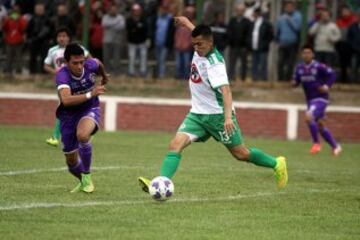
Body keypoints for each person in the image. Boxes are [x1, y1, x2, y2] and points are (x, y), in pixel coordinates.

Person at [138, 17, 288, 193]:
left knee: (241, 154)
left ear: (210, 43)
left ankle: (277, 163)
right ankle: (160, 183)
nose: (196, 48)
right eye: (194, 44)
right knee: (175, 145)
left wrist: (227, 118)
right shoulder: (201, 47)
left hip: (218, 116)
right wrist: (187, 24)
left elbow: (226, 91)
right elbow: (200, 34)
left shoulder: (214, 64)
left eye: (199, 45)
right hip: (197, 114)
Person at [56, 43, 109, 193]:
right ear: (67, 62)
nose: (80, 66)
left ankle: (86, 176)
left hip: (89, 109)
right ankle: (83, 181)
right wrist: (90, 94)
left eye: (81, 62)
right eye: (75, 63)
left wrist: (104, 76)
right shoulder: (62, 75)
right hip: (68, 116)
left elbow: (98, 62)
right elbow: (66, 100)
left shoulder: (90, 65)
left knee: (83, 135)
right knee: (71, 162)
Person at [44, 27, 90, 147]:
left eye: (64, 36)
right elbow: (46, 65)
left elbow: (90, 60)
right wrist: (56, 73)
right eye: (59, 36)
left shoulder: (78, 49)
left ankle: (77, 134)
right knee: (65, 107)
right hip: (63, 84)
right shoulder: (53, 50)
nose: (62, 38)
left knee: (72, 107)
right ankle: (59, 137)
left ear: (69, 38)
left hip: (78, 82)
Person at [292, 45, 342, 156]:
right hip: (310, 100)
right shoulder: (299, 68)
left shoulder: (319, 66)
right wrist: (294, 83)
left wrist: (326, 86)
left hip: (321, 99)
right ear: (301, 55)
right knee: (320, 125)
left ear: (313, 54)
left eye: (308, 53)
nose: (306, 55)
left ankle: (316, 144)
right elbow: (296, 81)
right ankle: (336, 147)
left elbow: (332, 74)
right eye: (304, 53)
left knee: (309, 116)